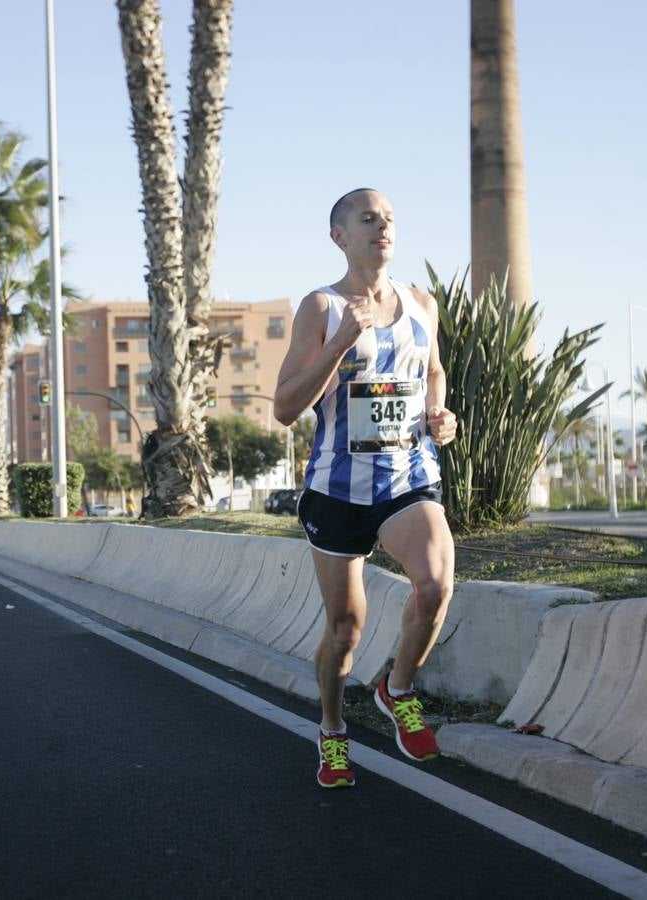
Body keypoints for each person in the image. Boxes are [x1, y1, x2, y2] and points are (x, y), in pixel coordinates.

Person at [273, 188, 459, 789]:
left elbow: (433, 372)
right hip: (337, 489)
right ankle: (331, 729)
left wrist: (440, 414)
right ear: (340, 236)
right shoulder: (321, 307)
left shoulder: (420, 304)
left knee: (434, 586)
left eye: (390, 219)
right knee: (345, 631)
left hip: (408, 477)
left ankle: (396, 688)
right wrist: (339, 343)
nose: (382, 227)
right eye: (368, 218)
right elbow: (283, 407)